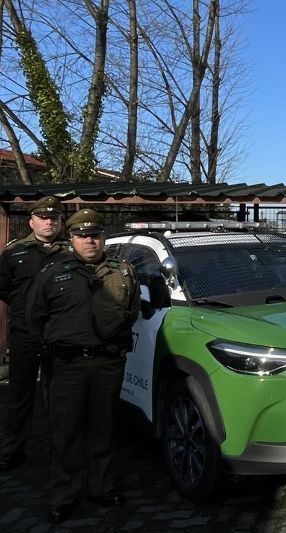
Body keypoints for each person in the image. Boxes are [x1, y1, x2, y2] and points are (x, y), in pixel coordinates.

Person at [28, 209, 140, 523]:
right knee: (66, 431)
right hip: (67, 365)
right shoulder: (53, 272)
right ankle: (64, 495)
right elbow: (35, 316)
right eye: (81, 235)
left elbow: (131, 312)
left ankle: (100, 487)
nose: (89, 241)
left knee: (103, 427)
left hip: (107, 362)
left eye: (95, 234)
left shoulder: (123, 272)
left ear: (103, 236)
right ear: (71, 238)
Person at [0, 196, 69, 472]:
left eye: (54, 217)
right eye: (43, 217)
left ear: (60, 222)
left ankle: (62, 451)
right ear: (32, 222)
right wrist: (25, 307)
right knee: (19, 394)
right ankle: (13, 449)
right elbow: (3, 287)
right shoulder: (13, 252)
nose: (49, 222)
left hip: (61, 332)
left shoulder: (71, 251)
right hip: (25, 333)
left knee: (61, 395)